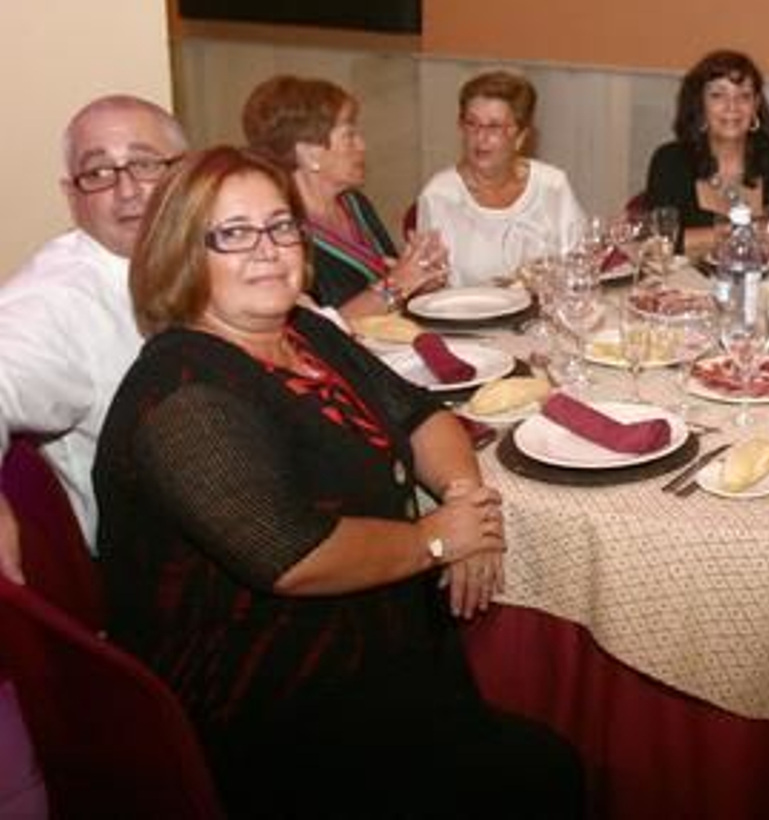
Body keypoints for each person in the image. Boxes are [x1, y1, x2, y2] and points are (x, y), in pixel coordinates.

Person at [94, 147, 583, 817]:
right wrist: (438, 540)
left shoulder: (302, 334)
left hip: (373, 651)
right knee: (542, 777)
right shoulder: (183, 394)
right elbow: (290, 553)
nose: (267, 249)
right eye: (233, 233)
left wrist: (465, 499)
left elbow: (420, 414)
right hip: (268, 706)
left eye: (280, 226)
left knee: (539, 763)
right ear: (180, 253)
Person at [0, 94, 188, 545]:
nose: (127, 191)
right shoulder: (58, 300)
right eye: (98, 172)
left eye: (145, 164)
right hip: (160, 559)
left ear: (187, 174)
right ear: (72, 197)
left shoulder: (210, 251)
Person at [241, 74, 449, 318]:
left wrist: (421, 278)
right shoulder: (282, 233)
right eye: (349, 136)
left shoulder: (354, 203)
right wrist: (399, 283)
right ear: (310, 154)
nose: (362, 145)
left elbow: (391, 285)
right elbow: (316, 329)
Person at [417, 70, 588, 286]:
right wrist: (428, 283)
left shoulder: (552, 186)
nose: (480, 137)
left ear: (520, 136)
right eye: (472, 123)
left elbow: (581, 266)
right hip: (469, 308)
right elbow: (427, 289)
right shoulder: (440, 196)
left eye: (494, 126)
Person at [644, 49, 769, 257]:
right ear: (699, 104)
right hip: (686, 279)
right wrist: (745, 232)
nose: (732, 106)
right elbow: (660, 241)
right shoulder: (670, 160)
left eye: (744, 96)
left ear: (756, 105)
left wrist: (705, 238)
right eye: (718, 95)